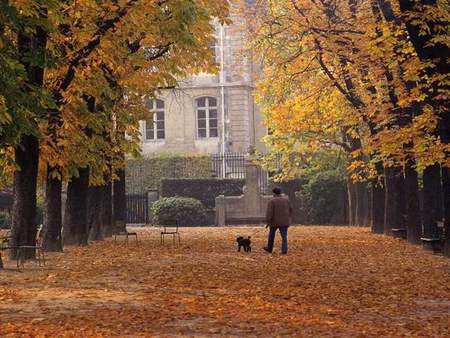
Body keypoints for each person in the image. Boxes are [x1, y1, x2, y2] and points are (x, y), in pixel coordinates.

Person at [264, 187, 292, 255]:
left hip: (274, 222)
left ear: (274, 193)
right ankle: (284, 250)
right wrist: (288, 217)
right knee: (284, 237)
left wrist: (268, 221)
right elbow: (290, 210)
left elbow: (269, 212)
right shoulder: (286, 200)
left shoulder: (272, 201)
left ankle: (269, 248)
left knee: (271, 236)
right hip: (284, 222)